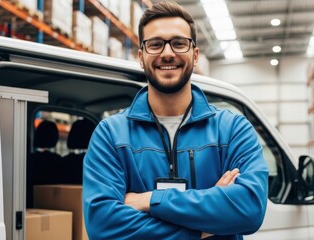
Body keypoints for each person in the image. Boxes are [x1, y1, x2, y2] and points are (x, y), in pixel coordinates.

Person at [83, 1, 268, 239]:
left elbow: (249, 209)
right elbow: (102, 225)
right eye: (156, 44)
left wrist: (148, 199)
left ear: (195, 54)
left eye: (179, 43)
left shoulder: (232, 129)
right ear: (141, 56)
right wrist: (202, 230)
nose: (168, 53)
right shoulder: (110, 134)